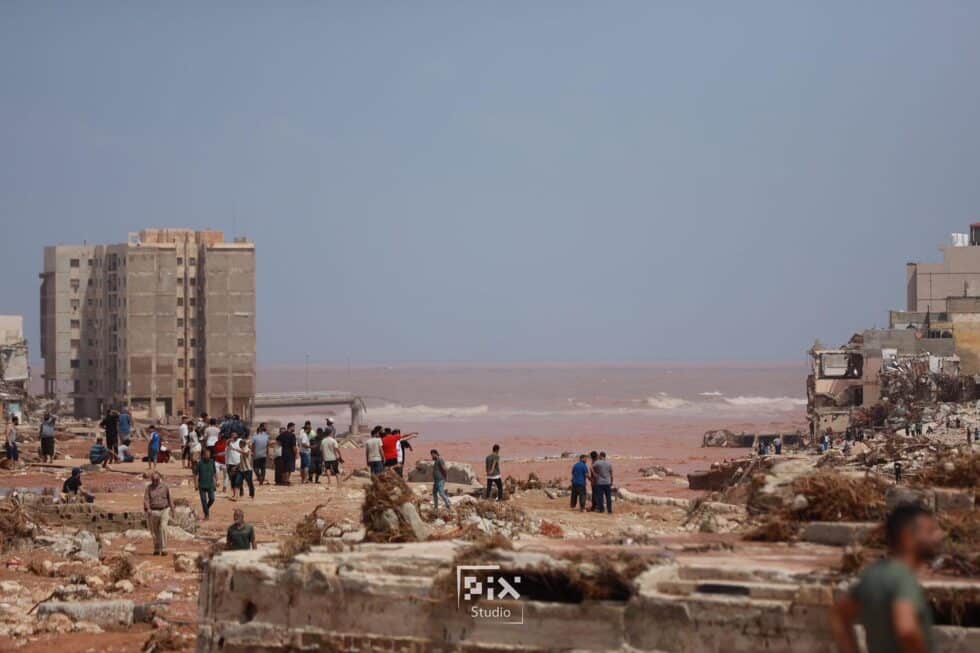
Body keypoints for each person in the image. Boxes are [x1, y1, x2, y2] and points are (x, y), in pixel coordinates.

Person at [830, 504, 942, 653]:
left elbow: (839, 615)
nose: (939, 535)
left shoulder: (873, 575)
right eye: (930, 531)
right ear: (907, 536)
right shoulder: (903, 579)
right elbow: (906, 630)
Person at [143, 471, 174, 556]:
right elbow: (146, 499)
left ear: (159, 479)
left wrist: (172, 509)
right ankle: (156, 548)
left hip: (164, 509)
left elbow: (170, 498)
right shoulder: (148, 488)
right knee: (155, 531)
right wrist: (148, 509)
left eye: (156, 479)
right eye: (153, 479)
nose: (155, 481)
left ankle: (164, 549)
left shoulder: (165, 487)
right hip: (153, 511)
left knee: (163, 527)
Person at [194, 447, 217, 520]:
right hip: (202, 484)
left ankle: (206, 508)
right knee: (203, 500)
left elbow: (214, 473)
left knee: (212, 499)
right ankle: (206, 514)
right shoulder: (199, 463)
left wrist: (216, 481)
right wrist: (196, 484)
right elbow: (196, 474)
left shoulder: (212, 462)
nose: (208, 456)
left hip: (210, 484)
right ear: (203, 455)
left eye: (209, 454)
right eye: (206, 454)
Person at [225, 430, 242, 498]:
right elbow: (227, 442)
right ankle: (235, 493)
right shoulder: (229, 443)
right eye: (233, 435)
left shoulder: (240, 441)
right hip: (230, 463)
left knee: (237, 479)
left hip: (238, 463)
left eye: (236, 436)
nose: (235, 437)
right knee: (232, 479)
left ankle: (236, 494)